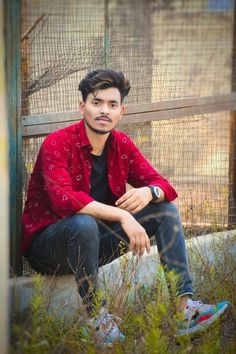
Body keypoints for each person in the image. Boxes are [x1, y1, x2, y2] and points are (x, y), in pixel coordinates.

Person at [22, 69, 230, 345]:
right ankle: (95, 319)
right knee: (83, 223)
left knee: (164, 210)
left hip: (93, 244)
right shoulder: (57, 143)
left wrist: (148, 191)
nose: (104, 111)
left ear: (122, 111)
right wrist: (123, 215)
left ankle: (184, 311)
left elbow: (164, 186)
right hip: (49, 247)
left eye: (112, 104)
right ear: (82, 106)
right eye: (96, 103)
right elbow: (65, 200)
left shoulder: (121, 145)